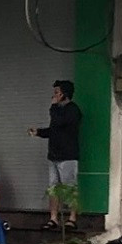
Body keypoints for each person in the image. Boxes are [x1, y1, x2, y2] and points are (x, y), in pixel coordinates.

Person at [29, 79, 82, 230]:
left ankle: (72, 218)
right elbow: (54, 130)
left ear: (65, 94)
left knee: (70, 187)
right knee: (53, 188)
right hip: (54, 155)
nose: (54, 96)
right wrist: (39, 132)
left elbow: (60, 123)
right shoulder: (57, 111)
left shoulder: (72, 110)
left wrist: (53, 107)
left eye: (57, 93)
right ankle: (53, 218)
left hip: (68, 156)